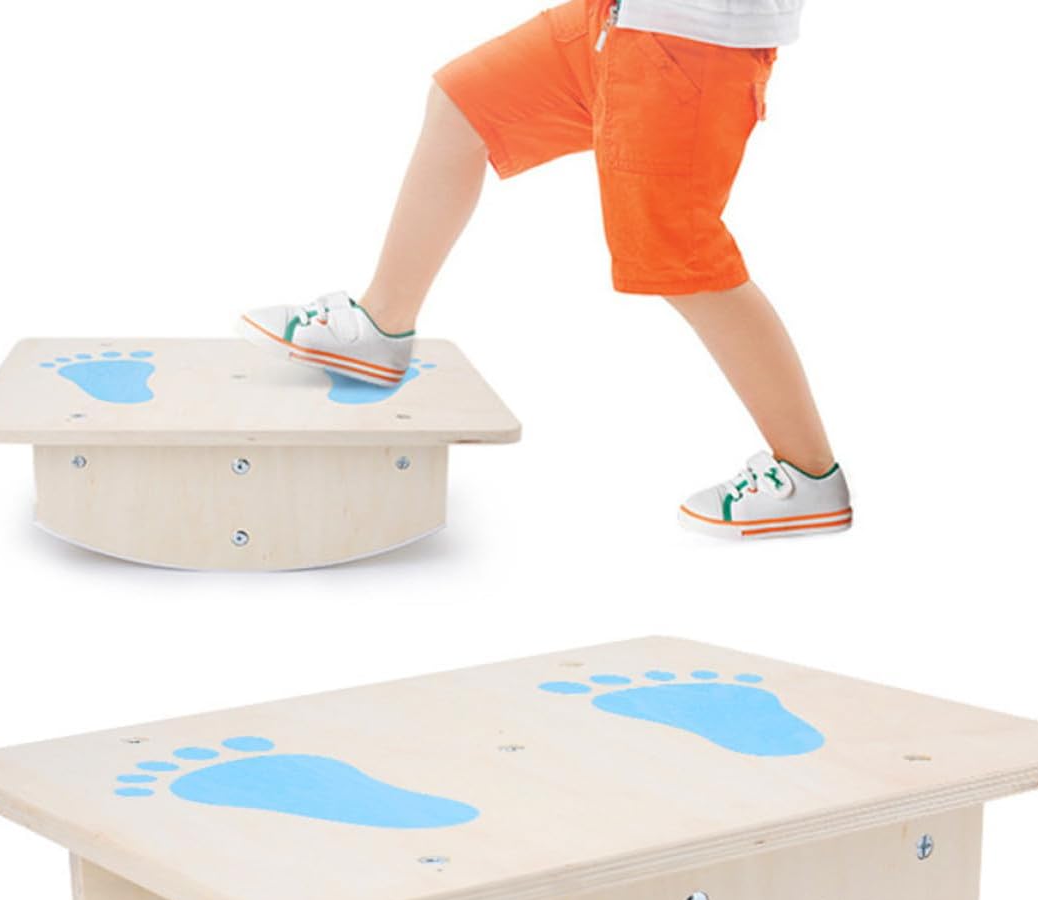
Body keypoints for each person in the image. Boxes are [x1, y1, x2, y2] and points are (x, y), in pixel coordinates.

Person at [239, 0, 851, 540]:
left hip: (689, 44)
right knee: (462, 104)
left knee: (679, 260)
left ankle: (808, 472)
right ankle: (381, 324)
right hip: (613, 22)